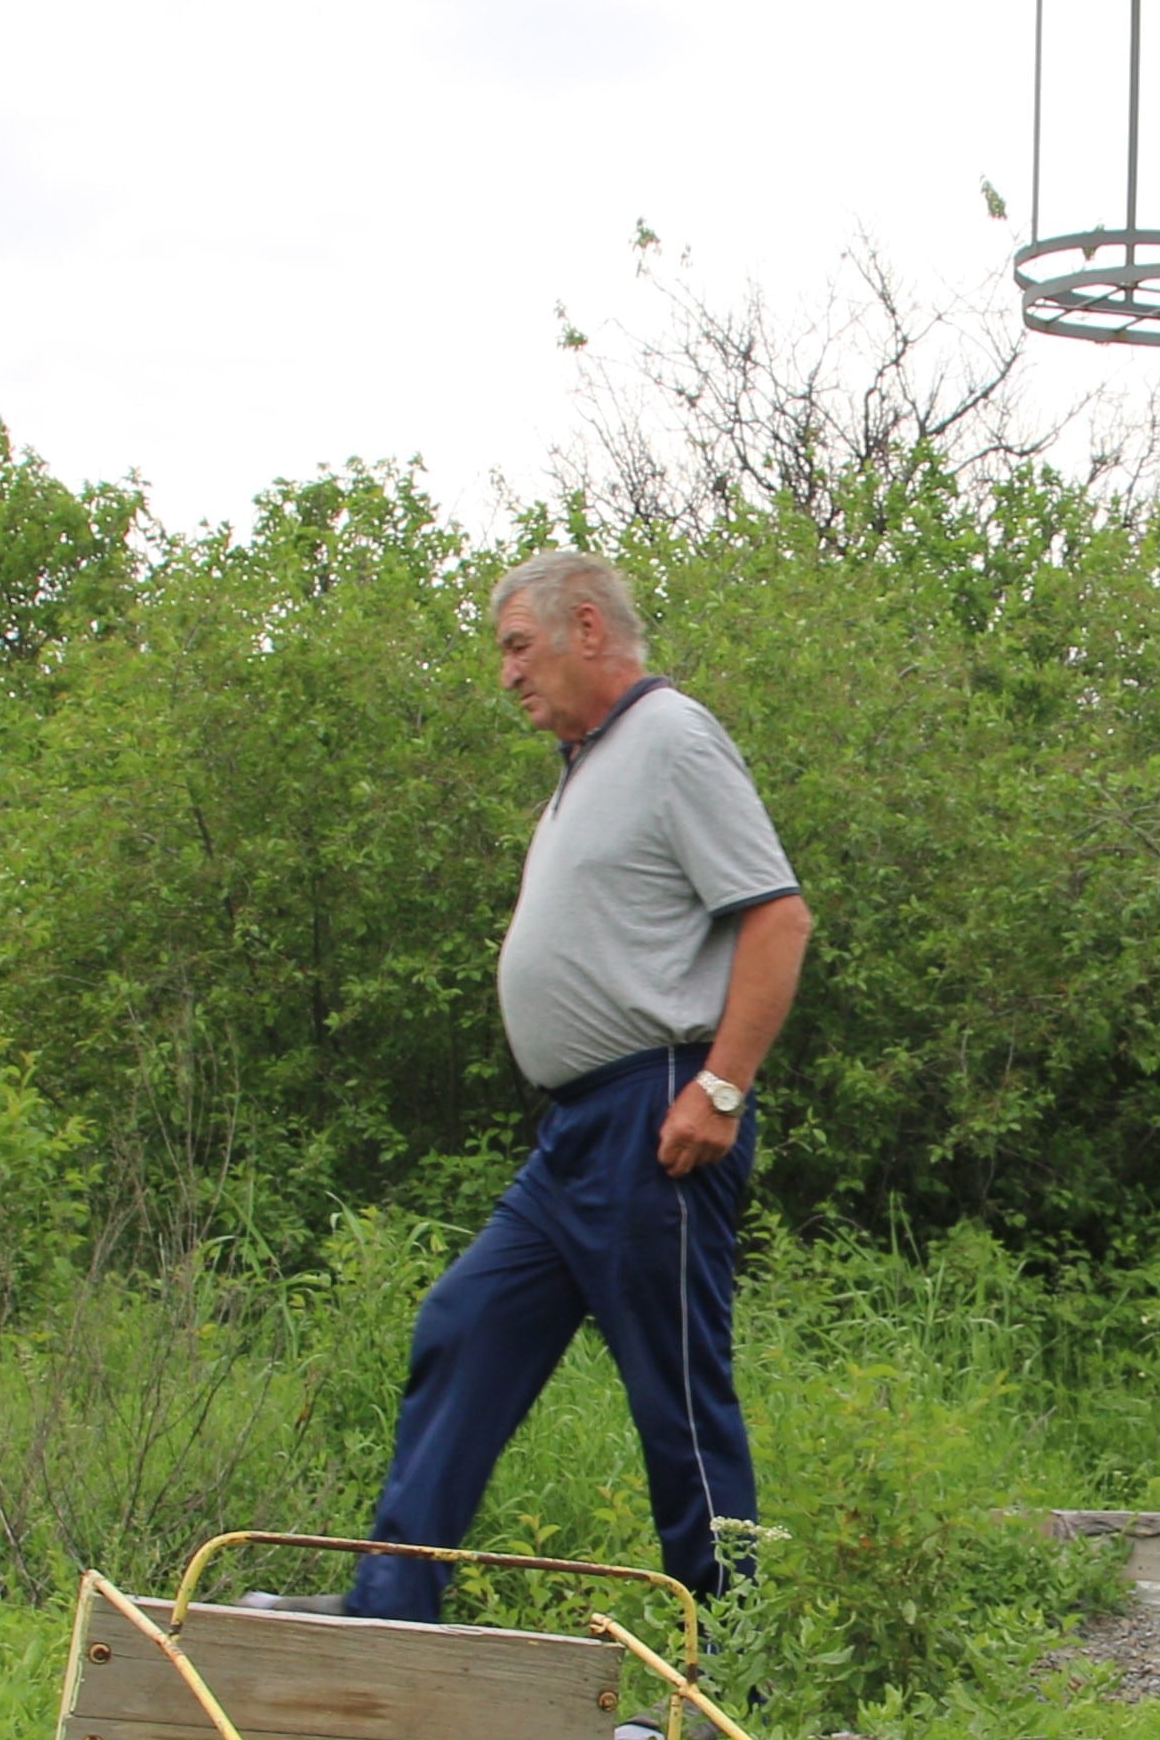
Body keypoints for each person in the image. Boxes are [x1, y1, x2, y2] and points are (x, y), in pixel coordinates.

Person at [339, 551, 815, 1631]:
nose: (504, 673)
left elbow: (777, 918)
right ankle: (390, 1609)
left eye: (517, 645)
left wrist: (722, 1089)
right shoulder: (587, 762)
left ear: (587, 628)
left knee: (677, 1397)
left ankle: (724, 1657)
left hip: (656, 1117)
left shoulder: (669, 737)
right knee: (465, 1324)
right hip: (573, 1138)